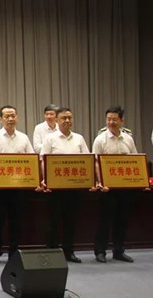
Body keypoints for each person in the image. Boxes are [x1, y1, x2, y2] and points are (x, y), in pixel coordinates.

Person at [0, 105, 35, 264]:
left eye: (13, 116)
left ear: (17, 117)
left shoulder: (24, 138)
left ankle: (13, 253)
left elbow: (31, 159)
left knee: (16, 222)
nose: (10, 119)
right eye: (7, 116)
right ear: (1, 119)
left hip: (18, 187)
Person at [40, 107, 91, 263]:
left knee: (71, 221)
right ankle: (51, 252)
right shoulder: (50, 139)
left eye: (69, 118)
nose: (67, 121)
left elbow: (87, 160)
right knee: (53, 221)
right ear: (56, 120)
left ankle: (69, 252)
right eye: (63, 118)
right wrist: (46, 180)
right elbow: (43, 161)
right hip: (55, 188)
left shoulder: (79, 138)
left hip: (74, 187)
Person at [92, 106, 139, 263]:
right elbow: (95, 163)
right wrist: (101, 182)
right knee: (104, 220)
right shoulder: (100, 139)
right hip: (107, 188)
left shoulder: (128, 139)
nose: (111, 122)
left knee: (122, 219)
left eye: (114, 119)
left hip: (124, 187)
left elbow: (135, 160)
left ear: (121, 121)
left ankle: (119, 250)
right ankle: (100, 251)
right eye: (108, 119)